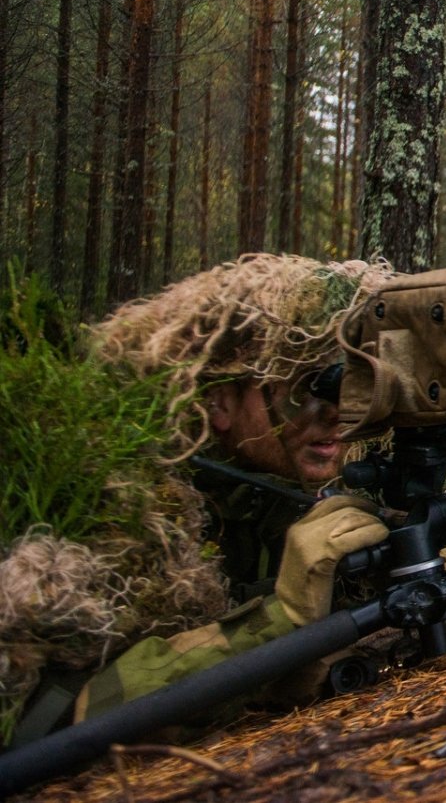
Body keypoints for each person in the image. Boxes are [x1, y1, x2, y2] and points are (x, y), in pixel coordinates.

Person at [5, 261, 391, 746]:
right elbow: (53, 719)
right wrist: (281, 619)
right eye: (305, 390)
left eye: (351, 387)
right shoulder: (127, 504)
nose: (337, 414)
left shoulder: (278, 484)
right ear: (219, 401)